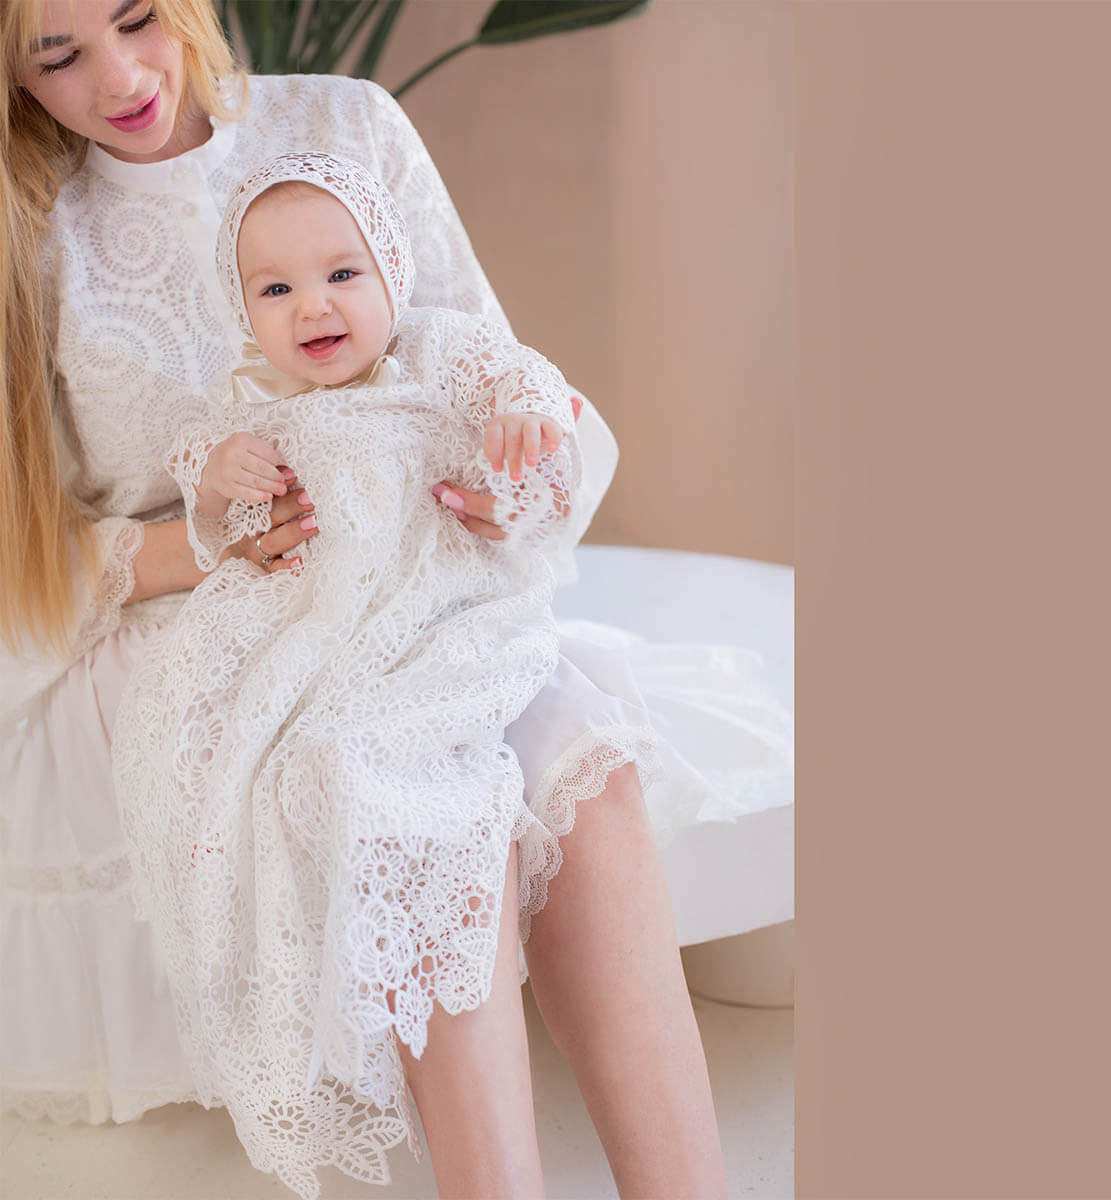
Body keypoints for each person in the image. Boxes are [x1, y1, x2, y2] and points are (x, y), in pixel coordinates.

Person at [1, 1, 787, 1195]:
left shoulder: (349, 122)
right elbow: (31, 549)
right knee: (401, 798)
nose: (120, 76)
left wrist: (512, 487)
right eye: (57, 56)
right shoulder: (38, 234)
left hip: (413, 580)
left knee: (586, 758)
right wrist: (207, 543)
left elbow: (493, 376)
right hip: (192, 614)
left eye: (136, 17)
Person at [110, 148, 614, 1194]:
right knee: (281, 753)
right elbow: (214, 485)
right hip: (315, 615)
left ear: (389, 272)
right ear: (243, 310)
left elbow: (529, 389)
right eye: (276, 288)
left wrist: (530, 425)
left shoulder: (443, 352)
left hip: (433, 600)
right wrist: (221, 477)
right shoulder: (250, 396)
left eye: (343, 273)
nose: (314, 307)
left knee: (404, 758)